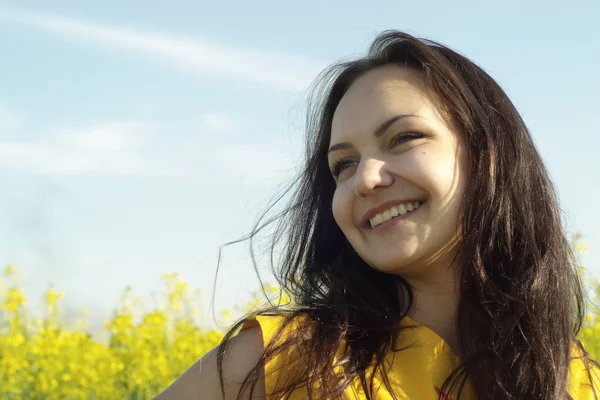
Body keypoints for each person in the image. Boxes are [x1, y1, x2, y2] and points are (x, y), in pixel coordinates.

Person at [153, 30, 600, 399]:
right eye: (343, 165)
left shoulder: (581, 384)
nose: (364, 178)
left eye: (403, 138)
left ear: (491, 157)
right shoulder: (279, 363)